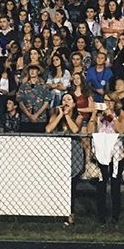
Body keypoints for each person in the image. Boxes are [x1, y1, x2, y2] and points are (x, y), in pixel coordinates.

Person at [45, 92, 84, 226]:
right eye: (63, 99)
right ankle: (57, 212)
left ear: (73, 103)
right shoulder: (55, 116)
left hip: (73, 153)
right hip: (59, 154)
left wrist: (67, 116)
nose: (66, 101)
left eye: (69, 99)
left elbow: (74, 130)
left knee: (71, 186)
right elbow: (49, 129)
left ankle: (70, 214)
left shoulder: (77, 116)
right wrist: (60, 114)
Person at [89, 91, 124, 225]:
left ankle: (115, 216)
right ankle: (101, 216)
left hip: (116, 153)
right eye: (105, 101)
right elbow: (90, 131)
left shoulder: (120, 115)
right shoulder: (100, 117)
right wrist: (94, 114)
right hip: (102, 153)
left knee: (115, 185)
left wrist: (111, 117)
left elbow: (120, 130)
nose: (108, 104)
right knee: (101, 184)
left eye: (111, 101)